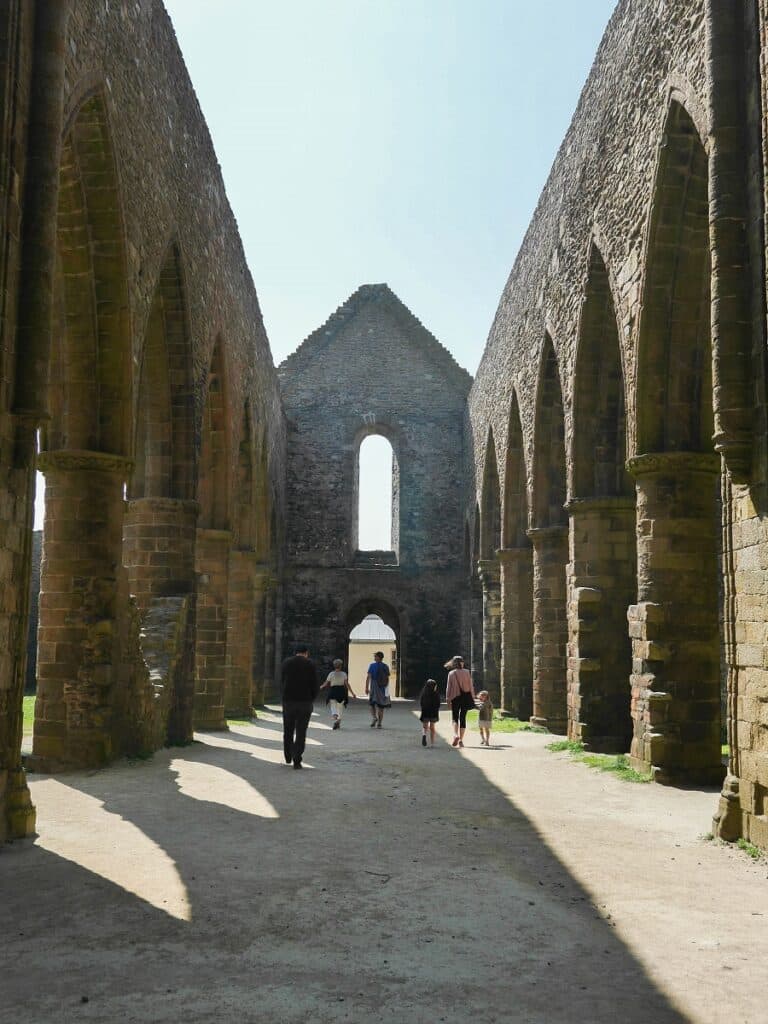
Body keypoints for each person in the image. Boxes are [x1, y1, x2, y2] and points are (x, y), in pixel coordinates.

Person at [280, 645, 319, 769]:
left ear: (295, 652)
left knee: (288, 729)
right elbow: (315, 684)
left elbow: (282, 681)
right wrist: (311, 698)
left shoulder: (286, 663)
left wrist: (284, 695)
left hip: (289, 701)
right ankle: (297, 758)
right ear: (306, 653)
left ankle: (288, 755)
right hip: (304, 702)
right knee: (301, 731)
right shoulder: (310, 664)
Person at [444, 654, 476, 748]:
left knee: (455, 717)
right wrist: (473, 697)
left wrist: (448, 699)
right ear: (461, 663)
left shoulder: (451, 673)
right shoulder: (467, 672)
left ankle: (455, 734)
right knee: (463, 718)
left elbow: (448, 687)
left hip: (455, 698)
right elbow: (470, 685)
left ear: (454, 663)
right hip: (466, 697)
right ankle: (461, 740)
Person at [319, 658, 356, 729]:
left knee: (333, 705)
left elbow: (326, 683)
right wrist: (352, 693)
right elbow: (347, 684)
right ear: (341, 666)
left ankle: (335, 716)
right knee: (340, 707)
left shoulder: (331, 674)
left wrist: (321, 686)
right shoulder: (344, 674)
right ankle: (338, 720)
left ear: (334, 666)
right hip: (341, 691)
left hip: (333, 691)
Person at [365, 650, 391, 728]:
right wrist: (387, 689)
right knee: (381, 707)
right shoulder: (386, 666)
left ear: (378, 658)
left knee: (372, 704)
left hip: (374, 686)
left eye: (375, 656)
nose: (374, 657)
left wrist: (366, 687)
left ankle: (374, 717)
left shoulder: (372, 666)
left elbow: (368, 677)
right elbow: (387, 678)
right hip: (383, 687)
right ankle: (379, 724)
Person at [419, 678, 440, 747]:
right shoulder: (436, 693)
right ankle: (432, 743)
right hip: (433, 712)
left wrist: (423, 708)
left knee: (425, 726)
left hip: (425, 711)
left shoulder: (424, 693)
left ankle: (424, 735)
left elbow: (421, 702)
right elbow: (438, 704)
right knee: (432, 728)